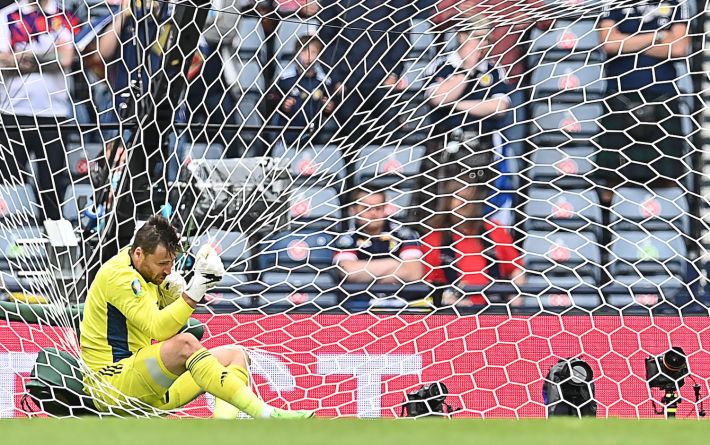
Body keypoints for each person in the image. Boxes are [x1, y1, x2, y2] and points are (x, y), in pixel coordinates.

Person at [80, 215, 313, 418]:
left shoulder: (149, 273)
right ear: (138, 254)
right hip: (112, 387)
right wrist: (195, 291)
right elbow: (158, 329)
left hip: (146, 387)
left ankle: (221, 433)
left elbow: (165, 329)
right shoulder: (120, 276)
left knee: (235, 355)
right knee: (186, 344)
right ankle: (264, 413)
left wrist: (172, 298)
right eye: (162, 263)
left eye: (171, 262)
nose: (168, 270)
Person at [412, 19, 512, 224]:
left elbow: (499, 107)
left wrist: (455, 104)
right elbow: (437, 98)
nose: (484, 44)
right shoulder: (441, 65)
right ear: (462, 36)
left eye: (489, 39)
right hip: (443, 146)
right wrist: (467, 71)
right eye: (479, 38)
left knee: (473, 209)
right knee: (435, 208)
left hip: (479, 147)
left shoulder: (494, 69)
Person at [596, 1, 690, 203]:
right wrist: (659, 36)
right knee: (612, 180)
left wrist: (628, 43)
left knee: (668, 177)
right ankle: (612, 231)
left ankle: (665, 228)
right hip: (620, 95)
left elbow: (679, 48)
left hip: (663, 97)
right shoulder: (612, 2)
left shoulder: (675, 2)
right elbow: (610, 44)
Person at [318, 0, 415, 185]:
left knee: (386, 142)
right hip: (348, 82)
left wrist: (395, 71)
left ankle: (384, 192)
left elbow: (402, 33)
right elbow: (327, 37)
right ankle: (349, 192)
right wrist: (337, 76)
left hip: (383, 80)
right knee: (349, 142)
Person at [0, 0, 78, 221]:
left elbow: (66, 58)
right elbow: (1, 60)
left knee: (52, 187)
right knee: (10, 184)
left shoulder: (64, 15)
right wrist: (43, 59)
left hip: (53, 114)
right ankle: (14, 242)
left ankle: (53, 241)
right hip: (12, 113)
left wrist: (21, 59)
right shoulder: (7, 15)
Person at [420, 180, 525, 307]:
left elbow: (516, 269)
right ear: (447, 202)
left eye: (469, 199)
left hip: (497, 308)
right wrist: (450, 300)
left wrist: (516, 294)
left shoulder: (494, 230)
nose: (464, 204)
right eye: (458, 198)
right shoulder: (433, 238)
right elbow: (429, 282)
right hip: (453, 312)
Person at [333, 186, 424, 284]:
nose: (373, 213)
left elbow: (414, 273)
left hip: (399, 297)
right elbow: (348, 272)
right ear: (354, 210)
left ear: (385, 209)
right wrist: (394, 264)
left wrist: (367, 276)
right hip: (361, 298)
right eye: (366, 208)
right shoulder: (347, 238)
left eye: (378, 208)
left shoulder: (404, 234)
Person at [268, 34, 336, 151]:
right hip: (289, 136)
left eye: (313, 52)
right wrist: (282, 104)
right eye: (304, 51)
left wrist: (329, 108)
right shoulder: (285, 79)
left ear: (319, 55)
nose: (308, 57)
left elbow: (331, 104)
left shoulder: (324, 81)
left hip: (317, 138)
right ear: (296, 53)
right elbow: (272, 99)